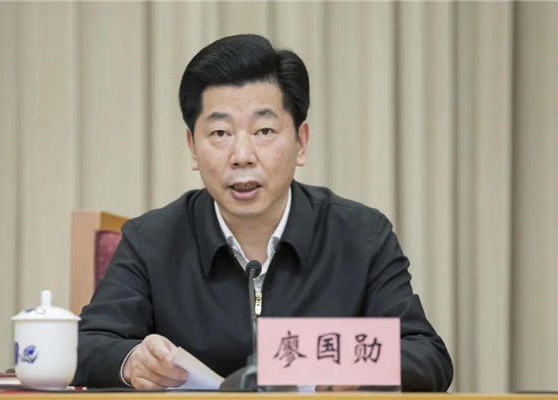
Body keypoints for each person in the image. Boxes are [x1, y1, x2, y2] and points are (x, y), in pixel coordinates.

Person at [72, 34, 453, 392]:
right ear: (192, 147)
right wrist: (131, 360)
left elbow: (427, 355)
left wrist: (353, 367)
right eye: (220, 133)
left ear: (301, 142)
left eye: (264, 131)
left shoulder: (361, 235)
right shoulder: (151, 241)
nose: (242, 155)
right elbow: (86, 345)